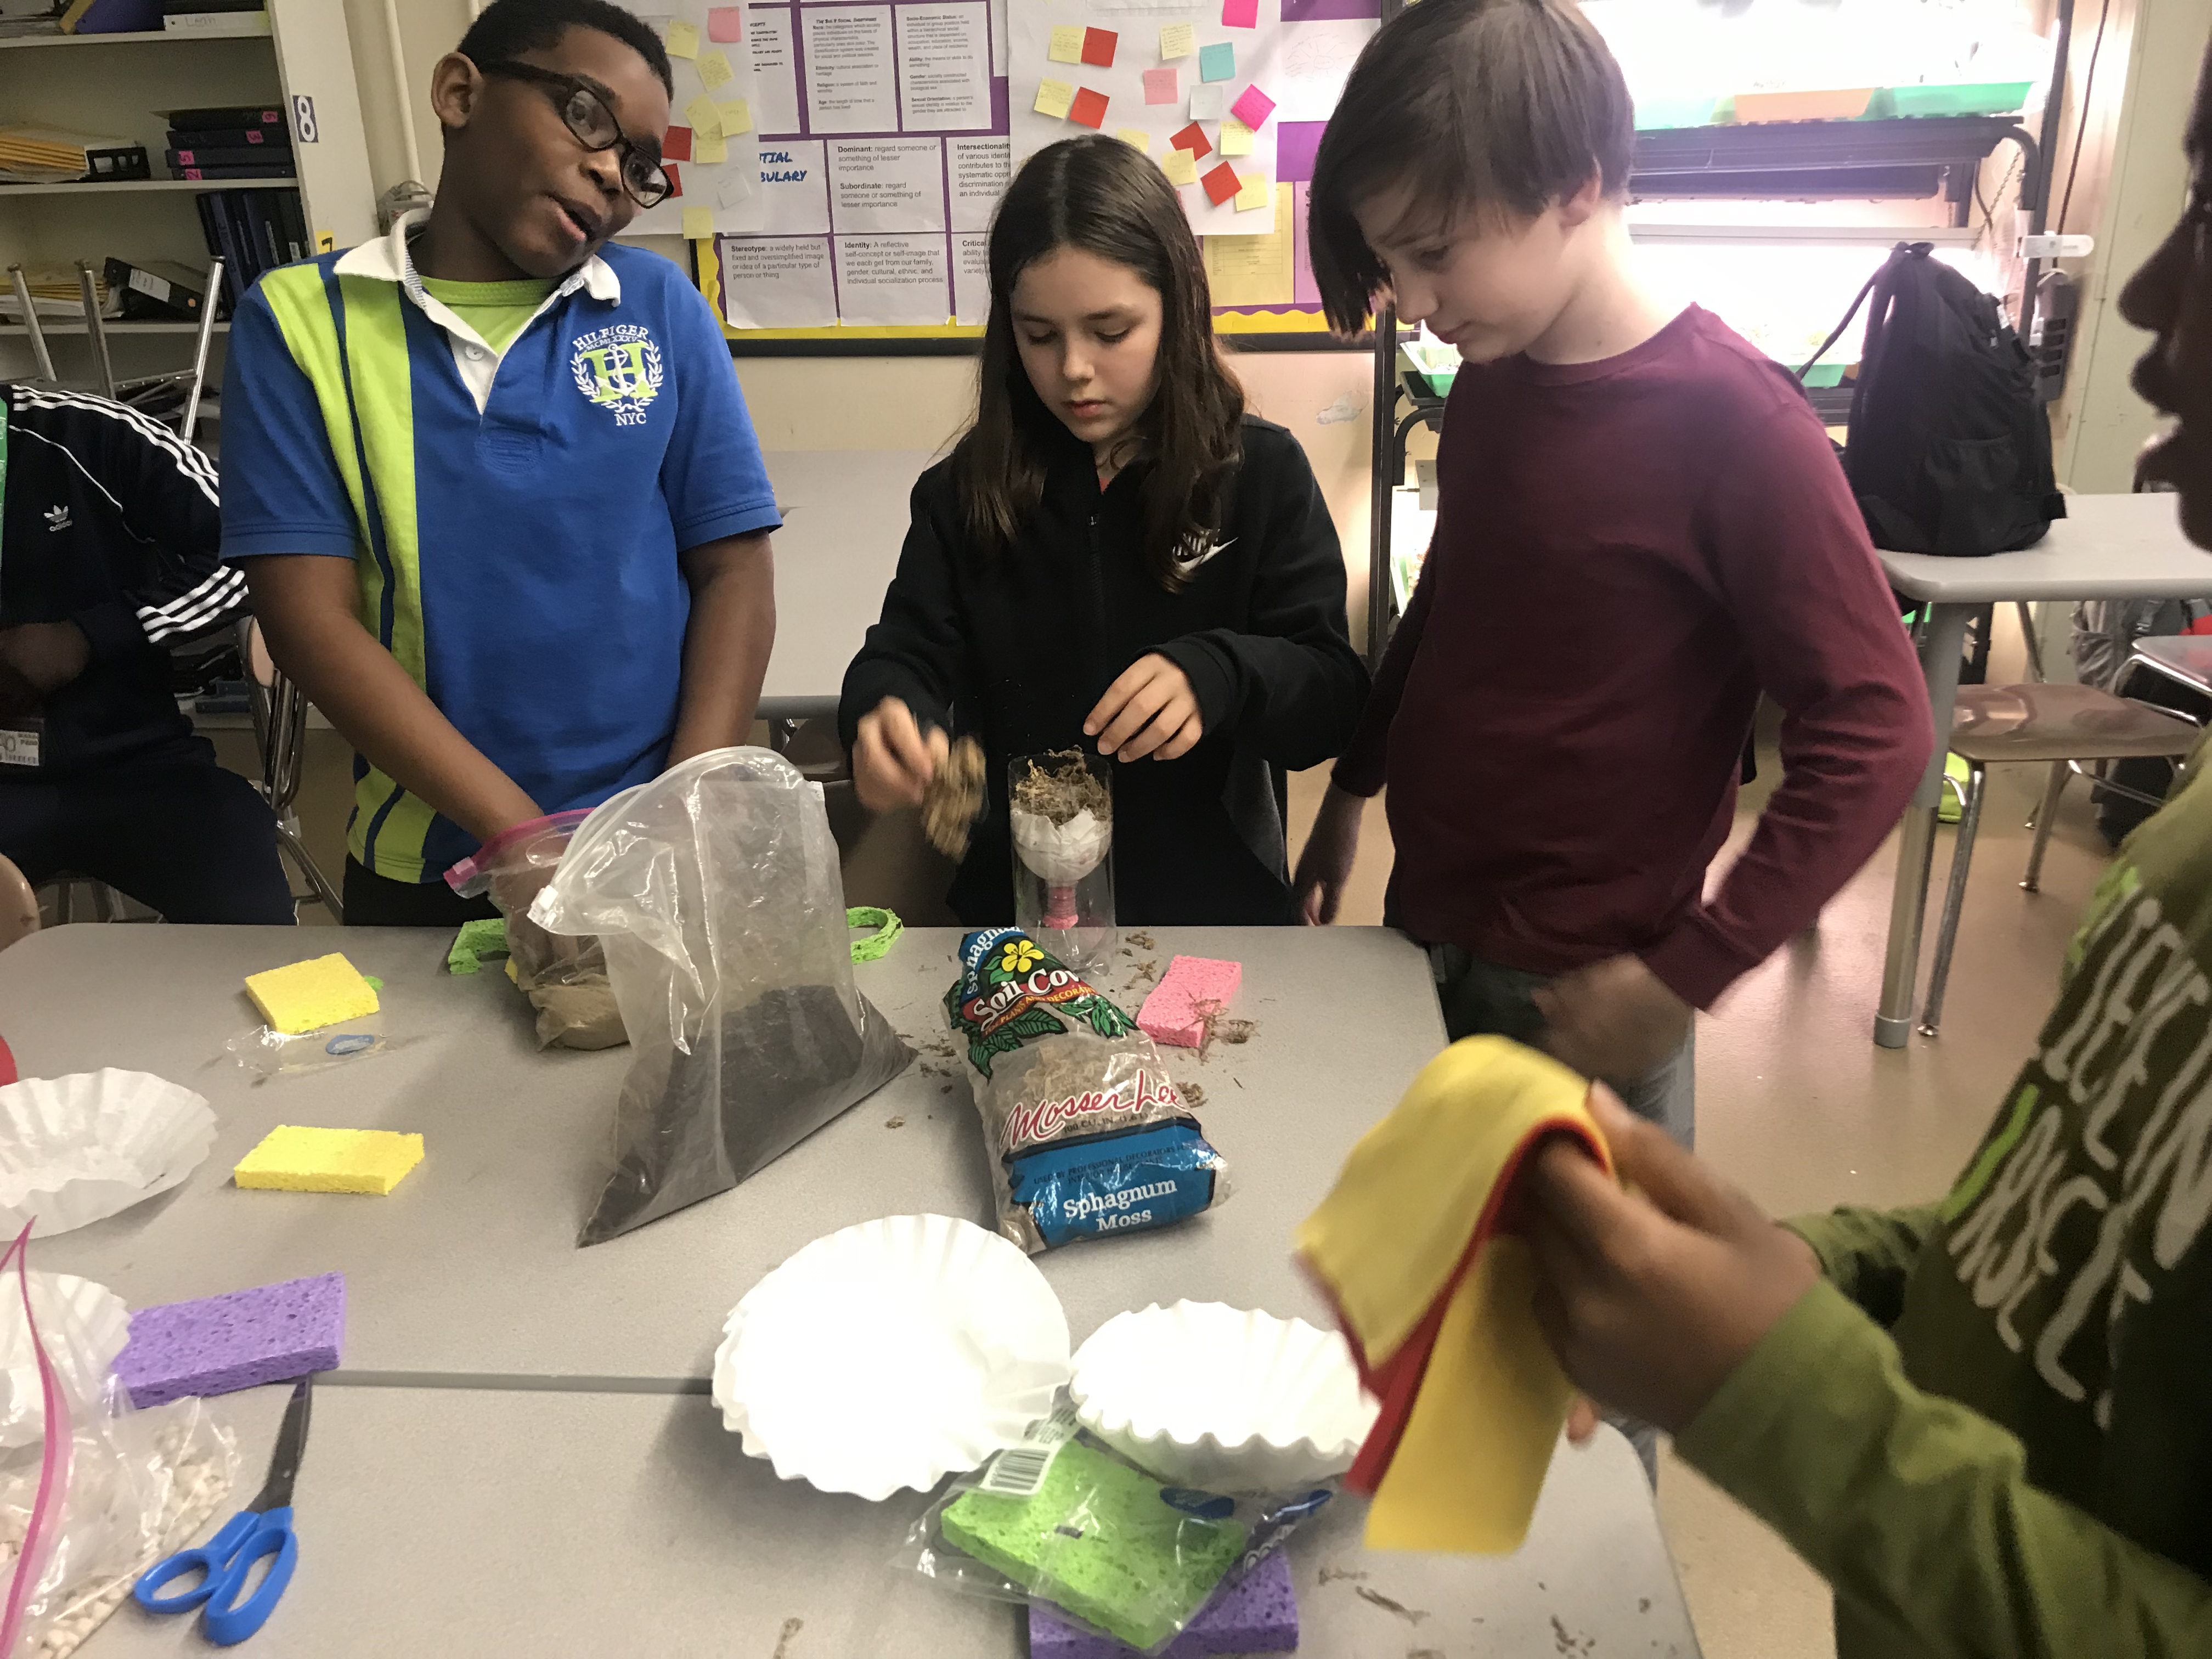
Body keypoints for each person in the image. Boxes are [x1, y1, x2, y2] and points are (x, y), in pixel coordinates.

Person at [1520, 38, 2212, 1654]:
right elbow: (2049, 1250)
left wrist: (1785, 1393)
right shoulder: (2191, 844)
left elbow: (1886, 730)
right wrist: (1805, 1271)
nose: (2141, 303)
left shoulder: (1724, 421)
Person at [1290, 0, 1931, 1147]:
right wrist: (1353, 787)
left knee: (1586, 1305)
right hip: (1430, 915)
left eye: (1434, 254)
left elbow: (1880, 725)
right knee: (1446, 1268)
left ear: (1576, 187)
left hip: (1587, 985)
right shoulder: (1493, 378)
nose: (1418, 305)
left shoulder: (1736, 423)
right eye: (1393, 262)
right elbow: (1454, 599)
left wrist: (1691, 970)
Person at [221, 0, 780, 928]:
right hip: (436, 861)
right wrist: (512, 834)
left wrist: (682, 810)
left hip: (647, 851)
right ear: (458, 93)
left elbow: (733, 567)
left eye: (639, 166)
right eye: (586, 115)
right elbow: (306, 618)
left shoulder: (657, 306)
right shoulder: (298, 323)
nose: (610, 171)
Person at [840, 136, 1368, 927]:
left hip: (1209, 905)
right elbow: (907, 653)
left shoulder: (1256, 474)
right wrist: (885, 712)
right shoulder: (965, 494)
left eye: (1111, 332)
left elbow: (1331, 696)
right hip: (1017, 908)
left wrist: (1221, 671)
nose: (1074, 370)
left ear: (1178, 309)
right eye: (1039, 336)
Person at [0, 383, 292, 924]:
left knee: (256, 932)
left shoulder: (88, 433)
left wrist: (89, 635)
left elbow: (258, 549)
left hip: (140, 765)